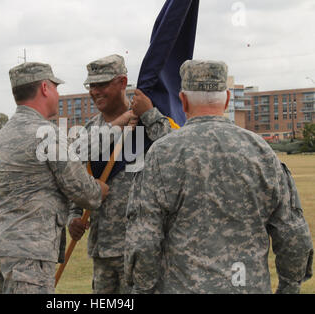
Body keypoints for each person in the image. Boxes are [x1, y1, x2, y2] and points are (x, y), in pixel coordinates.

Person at [125, 59, 313, 294]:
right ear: (226, 99)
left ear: (183, 101)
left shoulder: (162, 154)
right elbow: (293, 234)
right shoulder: (262, 152)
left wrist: (142, 290)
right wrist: (289, 288)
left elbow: (144, 240)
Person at [0, 62, 109, 294]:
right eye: (55, 87)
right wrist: (99, 189)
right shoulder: (47, 133)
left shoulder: (6, 132)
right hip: (30, 254)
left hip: (2, 246)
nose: (58, 94)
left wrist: (114, 126)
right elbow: (82, 191)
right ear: (44, 88)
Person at [67, 54, 172, 294]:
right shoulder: (90, 131)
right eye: (91, 86)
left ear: (123, 82)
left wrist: (150, 115)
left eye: (102, 84)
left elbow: (173, 153)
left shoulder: (147, 123)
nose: (95, 92)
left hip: (140, 250)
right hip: (102, 249)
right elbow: (73, 178)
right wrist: (72, 217)